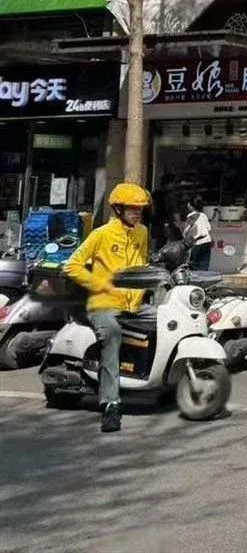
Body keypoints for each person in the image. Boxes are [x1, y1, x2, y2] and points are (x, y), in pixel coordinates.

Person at [63, 182, 152, 434]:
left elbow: (142, 263)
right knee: (112, 334)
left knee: (169, 317)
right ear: (118, 209)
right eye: (132, 209)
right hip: (104, 304)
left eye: (140, 209)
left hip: (134, 305)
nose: (137, 213)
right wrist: (101, 284)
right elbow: (72, 266)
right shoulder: (100, 234)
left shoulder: (142, 232)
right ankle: (111, 404)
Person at [176, 195, 213, 270]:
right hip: (207, 242)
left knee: (194, 264)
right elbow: (209, 228)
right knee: (204, 263)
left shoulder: (191, 217)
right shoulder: (203, 215)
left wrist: (179, 226)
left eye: (188, 203)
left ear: (190, 206)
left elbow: (185, 232)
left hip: (196, 243)